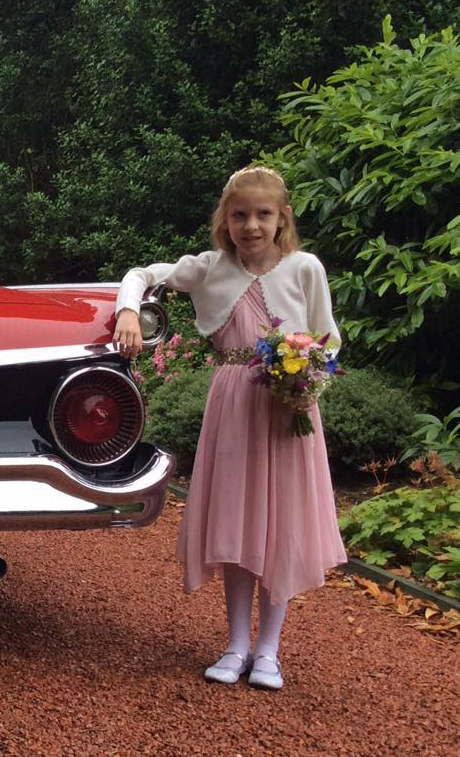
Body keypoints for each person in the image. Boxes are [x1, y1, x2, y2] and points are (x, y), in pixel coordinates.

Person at [113, 165, 345, 691]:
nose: (252, 225)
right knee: (238, 522)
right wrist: (130, 310)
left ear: (282, 217)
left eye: (264, 214)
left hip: (288, 408)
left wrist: (308, 378)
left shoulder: (304, 267)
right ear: (226, 218)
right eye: (240, 214)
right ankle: (237, 642)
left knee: (280, 523)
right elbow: (141, 274)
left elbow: (328, 340)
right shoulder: (212, 267)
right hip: (234, 405)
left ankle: (269, 651)